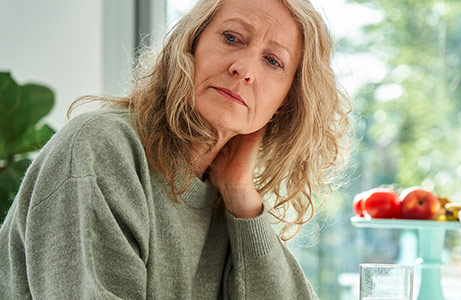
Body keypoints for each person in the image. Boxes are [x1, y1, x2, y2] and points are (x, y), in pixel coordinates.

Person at [0, 0, 352, 298]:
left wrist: (242, 199)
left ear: (284, 102)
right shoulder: (101, 148)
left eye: (273, 61)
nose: (243, 69)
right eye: (231, 38)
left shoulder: (227, 193)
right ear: (191, 43)